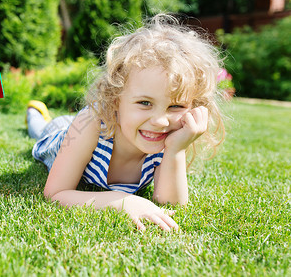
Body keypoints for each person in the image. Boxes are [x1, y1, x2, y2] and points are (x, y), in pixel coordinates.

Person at [26, 14, 225, 231]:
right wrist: (120, 201)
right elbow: (55, 194)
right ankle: (35, 112)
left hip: (82, 130)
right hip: (64, 136)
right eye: (145, 102)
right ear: (115, 99)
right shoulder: (92, 122)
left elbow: (169, 203)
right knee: (42, 128)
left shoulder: (170, 136)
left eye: (175, 106)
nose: (160, 121)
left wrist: (176, 150)